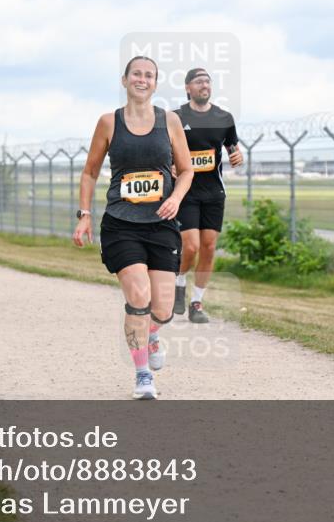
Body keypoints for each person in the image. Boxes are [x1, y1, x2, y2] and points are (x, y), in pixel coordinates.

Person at [72, 56, 193, 399]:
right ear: (124, 81)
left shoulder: (169, 121)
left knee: (163, 309)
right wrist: (84, 214)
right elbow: (90, 171)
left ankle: (152, 333)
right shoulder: (109, 122)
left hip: (162, 223)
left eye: (149, 75)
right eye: (136, 74)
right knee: (139, 297)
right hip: (122, 224)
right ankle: (143, 375)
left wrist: (176, 198)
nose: (142, 79)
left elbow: (185, 171)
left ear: (155, 83)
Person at [172, 68, 244, 323]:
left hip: (214, 192)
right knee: (190, 246)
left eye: (207, 81)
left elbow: (232, 147)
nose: (204, 85)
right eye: (198, 81)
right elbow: (163, 148)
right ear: (188, 88)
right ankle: (179, 283)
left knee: (209, 247)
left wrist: (238, 155)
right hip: (186, 191)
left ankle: (196, 303)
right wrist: (170, 164)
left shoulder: (223, 117)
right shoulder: (176, 117)